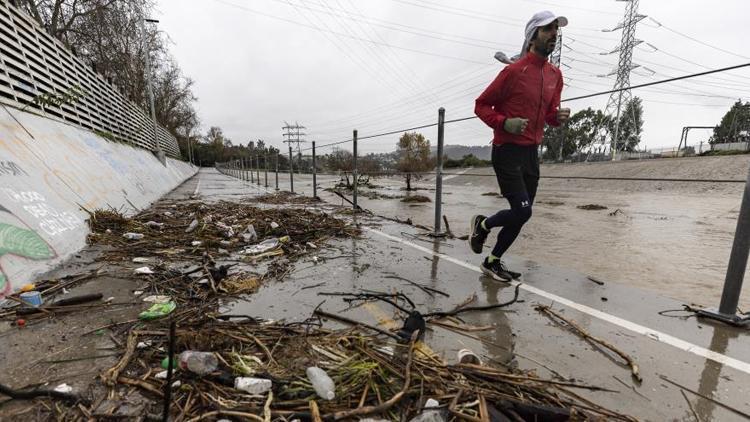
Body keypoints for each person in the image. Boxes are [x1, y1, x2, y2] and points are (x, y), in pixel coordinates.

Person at [470, 11, 571, 281]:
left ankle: (492, 260)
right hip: (507, 151)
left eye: (555, 30)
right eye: (547, 29)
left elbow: (549, 115)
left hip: (531, 153)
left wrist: (557, 118)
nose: (554, 34)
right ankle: (484, 224)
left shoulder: (555, 75)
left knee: (522, 214)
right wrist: (504, 123)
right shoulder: (513, 71)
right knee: (522, 210)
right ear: (532, 35)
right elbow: (480, 105)